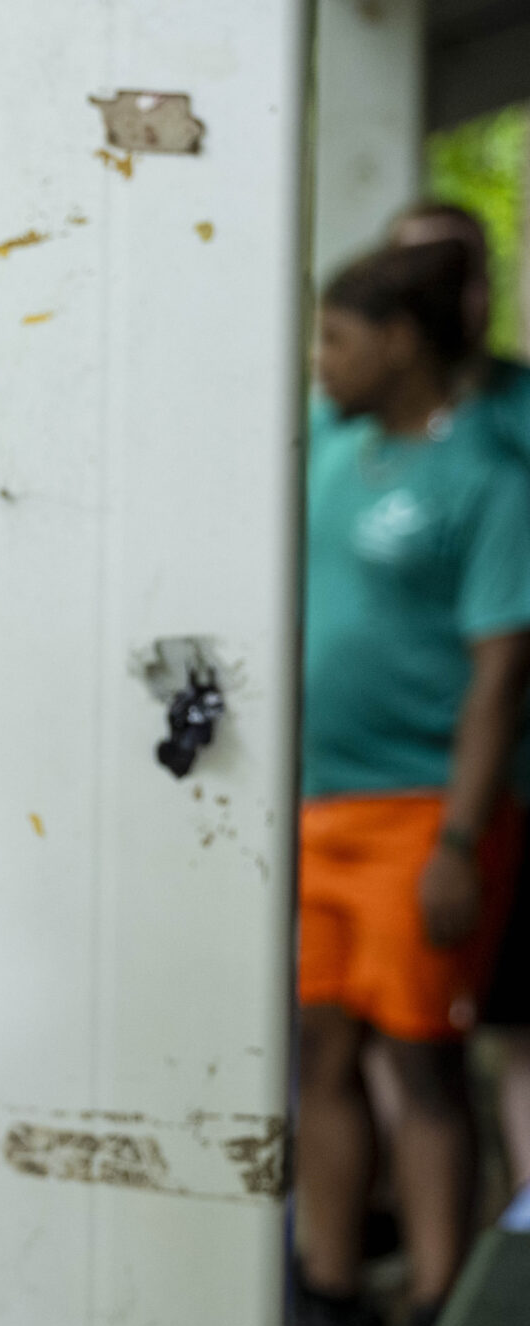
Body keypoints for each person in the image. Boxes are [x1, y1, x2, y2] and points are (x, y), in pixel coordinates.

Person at [295, 240, 530, 1326]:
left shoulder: (489, 480)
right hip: (310, 810)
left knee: (419, 1065)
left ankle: (440, 1308)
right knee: (317, 1054)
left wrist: (456, 841)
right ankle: (328, 1287)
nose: (317, 360)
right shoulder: (331, 449)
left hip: (416, 816)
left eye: (334, 337)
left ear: (397, 344)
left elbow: (499, 673)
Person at [388, 202, 530, 1194]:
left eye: (461, 269)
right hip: (376, 793)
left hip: (498, 788)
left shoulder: (507, 434)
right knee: (390, 1036)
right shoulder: (346, 425)